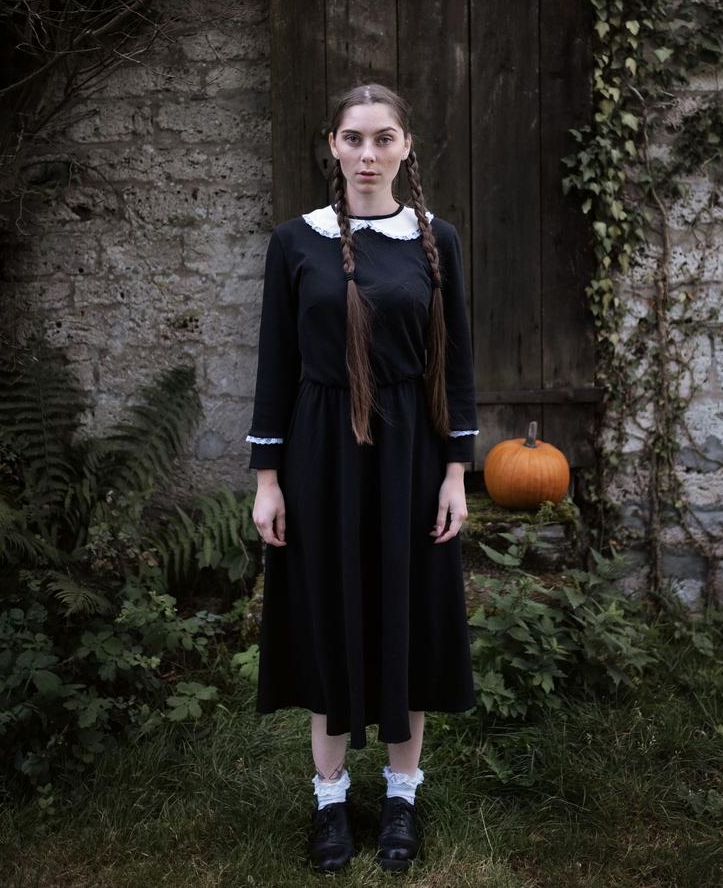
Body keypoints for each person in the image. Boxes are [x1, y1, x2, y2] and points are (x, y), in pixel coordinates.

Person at [247, 82, 479, 874]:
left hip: (413, 456)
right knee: (329, 613)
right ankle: (331, 800)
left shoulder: (435, 241)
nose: (368, 154)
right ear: (332, 146)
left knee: (406, 613)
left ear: (407, 147)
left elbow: (457, 367)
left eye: (384, 138)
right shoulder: (294, 243)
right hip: (320, 457)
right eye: (354, 138)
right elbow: (275, 366)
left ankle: (403, 796)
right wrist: (267, 479)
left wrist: (456, 473)